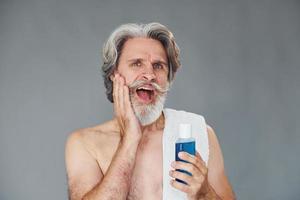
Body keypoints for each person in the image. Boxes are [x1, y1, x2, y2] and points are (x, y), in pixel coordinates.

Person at [65, 22, 235, 200]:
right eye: (137, 64)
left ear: (168, 78)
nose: (149, 75)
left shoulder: (199, 133)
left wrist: (205, 193)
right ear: (114, 75)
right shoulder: (84, 143)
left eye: (158, 65)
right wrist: (130, 139)